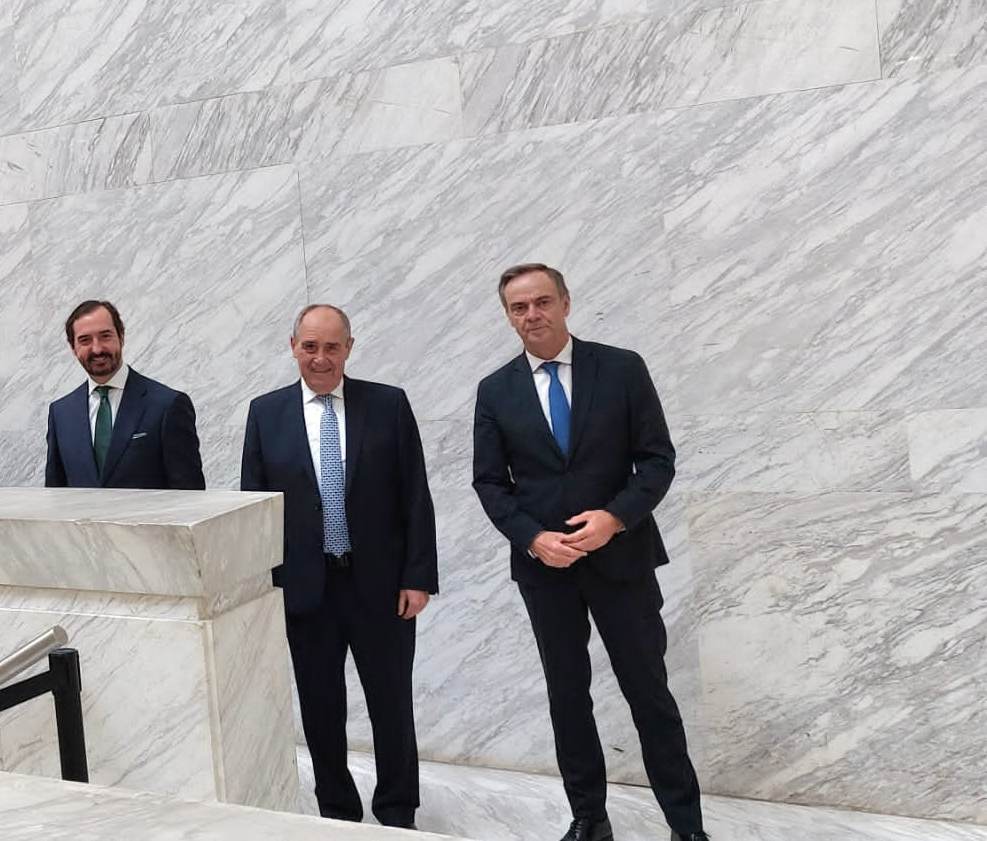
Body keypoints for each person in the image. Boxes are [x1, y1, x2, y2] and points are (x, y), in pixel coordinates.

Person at [471, 265, 707, 841]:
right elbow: (490, 484)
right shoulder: (495, 390)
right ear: (507, 315)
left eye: (542, 302)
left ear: (566, 302)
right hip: (546, 571)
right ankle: (589, 819)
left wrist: (615, 518)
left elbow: (657, 460)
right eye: (519, 307)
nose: (533, 315)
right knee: (567, 695)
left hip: (621, 561)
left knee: (649, 694)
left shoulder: (622, 368)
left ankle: (687, 826)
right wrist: (532, 538)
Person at [240, 304, 436, 831]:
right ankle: (338, 813)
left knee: (391, 705)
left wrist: (418, 577)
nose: (320, 358)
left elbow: (415, 494)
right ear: (293, 346)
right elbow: (256, 509)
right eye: (310, 346)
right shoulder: (265, 413)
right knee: (320, 709)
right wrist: (266, 588)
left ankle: (397, 812)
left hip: (381, 587)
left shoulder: (388, 405)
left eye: (331, 347)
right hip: (306, 590)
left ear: (349, 347)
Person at [45, 300, 204, 490]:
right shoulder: (61, 413)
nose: (97, 349)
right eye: (85, 340)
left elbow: (190, 496)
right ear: (73, 347)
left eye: (105, 336)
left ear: (121, 337)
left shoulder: (167, 405)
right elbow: (55, 494)